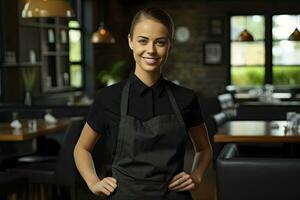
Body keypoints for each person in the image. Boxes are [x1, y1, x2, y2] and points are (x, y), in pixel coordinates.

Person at [74, 7, 212, 199]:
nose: (151, 50)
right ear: (131, 41)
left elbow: (204, 149)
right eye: (143, 41)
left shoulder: (186, 98)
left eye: (160, 42)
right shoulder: (108, 98)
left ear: (169, 45)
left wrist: (196, 176)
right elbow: (81, 148)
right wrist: (93, 182)